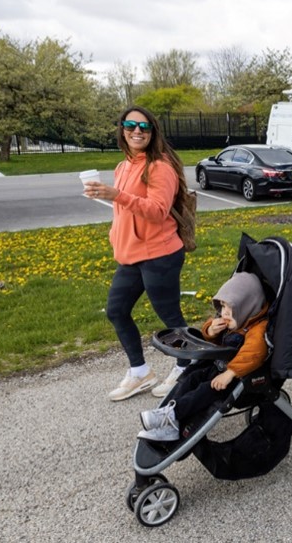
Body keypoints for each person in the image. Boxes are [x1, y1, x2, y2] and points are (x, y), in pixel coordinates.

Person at [84, 106, 192, 401]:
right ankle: (140, 372)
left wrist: (115, 194)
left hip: (160, 254)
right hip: (131, 256)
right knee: (116, 310)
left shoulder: (160, 166)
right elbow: (124, 210)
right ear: (121, 129)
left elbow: (157, 211)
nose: (137, 131)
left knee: (170, 316)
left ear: (152, 132)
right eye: (130, 125)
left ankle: (187, 367)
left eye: (144, 127)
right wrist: (115, 231)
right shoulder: (123, 166)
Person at [137, 272, 269, 441]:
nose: (224, 313)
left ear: (247, 307)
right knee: (190, 378)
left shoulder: (257, 329)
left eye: (230, 308)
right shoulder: (233, 319)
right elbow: (208, 338)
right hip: (215, 366)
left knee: (204, 390)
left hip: (235, 379)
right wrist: (211, 330)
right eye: (222, 306)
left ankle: (173, 414)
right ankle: (171, 421)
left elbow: (253, 354)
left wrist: (229, 374)